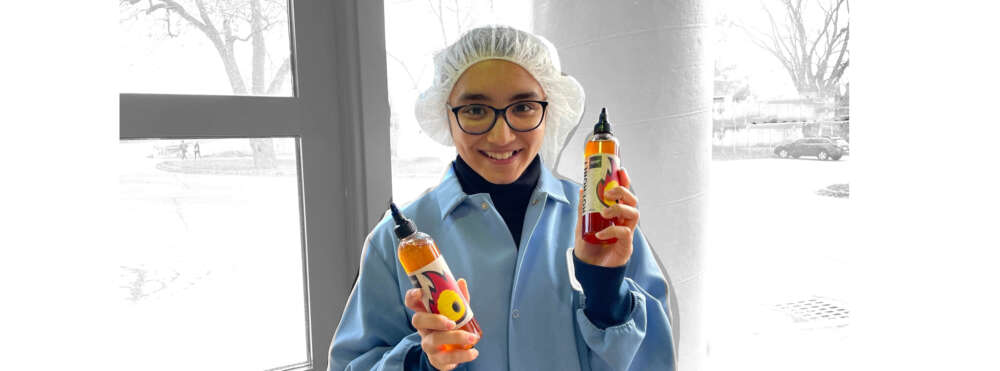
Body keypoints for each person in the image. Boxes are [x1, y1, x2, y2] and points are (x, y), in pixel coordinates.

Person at [329, 26, 674, 371]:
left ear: (548, 111)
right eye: (476, 110)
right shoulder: (393, 245)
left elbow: (655, 360)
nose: (501, 134)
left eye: (523, 106)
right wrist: (420, 361)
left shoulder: (606, 227)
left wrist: (607, 297)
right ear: (447, 115)